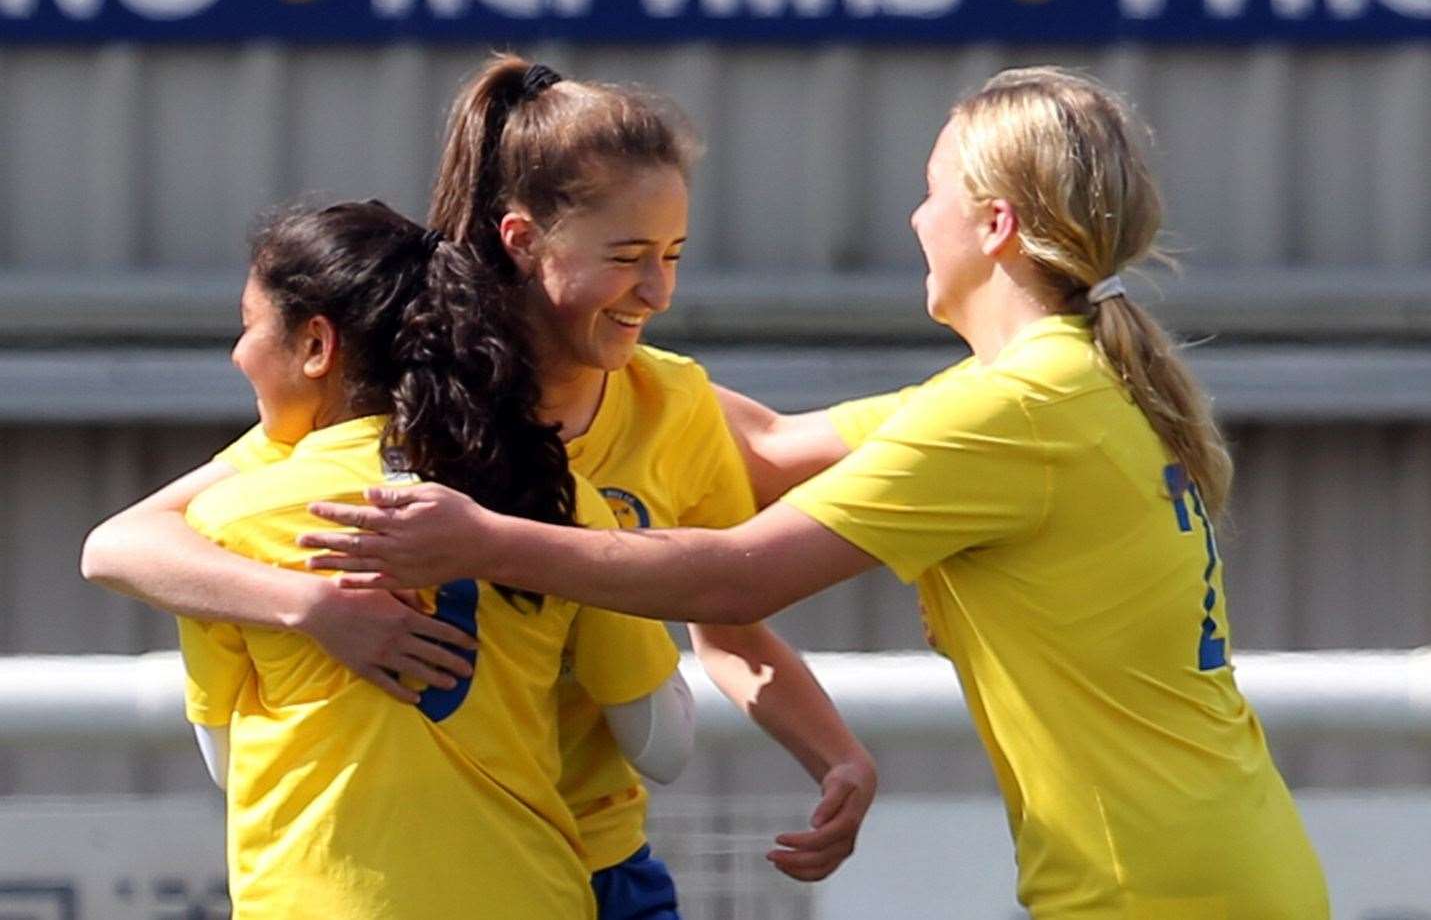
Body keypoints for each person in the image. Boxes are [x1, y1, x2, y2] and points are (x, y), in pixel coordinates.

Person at [300, 67, 1331, 919]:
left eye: (933, 192)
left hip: (1159, 887)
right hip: (1218, 862)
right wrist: (596, 343)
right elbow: (774, 444)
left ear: (995, 224)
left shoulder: (1009, 411)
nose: (916, 217)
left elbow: (739, 573)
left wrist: (480, 538)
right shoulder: (1050, 385)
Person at [82, 55, 875, 919]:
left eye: (674, 255)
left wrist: (836, 756)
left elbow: (727, 617)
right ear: (521, 237)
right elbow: (128, 543)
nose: (657, 289)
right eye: (627, 255)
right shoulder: (408, 399)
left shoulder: (671, 402)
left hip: (598, 861)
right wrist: (309, 605)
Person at [146, 199, 686, 917]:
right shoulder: (550, 496)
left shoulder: (225, 526)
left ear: (315, 345)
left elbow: (226, 763)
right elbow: (662, 743)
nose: (239, 353)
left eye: (249, 327)